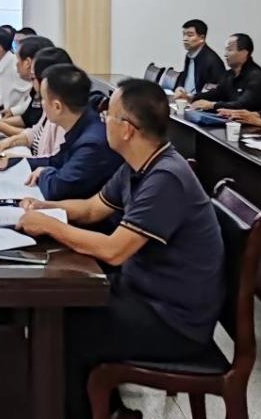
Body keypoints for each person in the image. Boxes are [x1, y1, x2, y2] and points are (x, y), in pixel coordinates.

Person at [15, 78, 225, 419]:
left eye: (108, 116)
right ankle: (102, 408)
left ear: (126, 129)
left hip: (173, 320)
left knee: (62, 330)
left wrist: (51, 226)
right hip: (142, 293)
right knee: (58, 312)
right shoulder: (138, 165)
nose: (103, 122)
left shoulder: (166, 178)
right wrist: (45, 208)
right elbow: (92, 209)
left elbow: (115, 250)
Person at [0, 64, 121, 200]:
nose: (42, 104)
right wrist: (8, 163)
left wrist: (44, 173)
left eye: (43, 99)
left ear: (57, 107)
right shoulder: (82, 124)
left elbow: (58, 189)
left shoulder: (92, 143)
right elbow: (54, 161)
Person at [0, 46, 71, 157]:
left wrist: (14, 160)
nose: (32, 83)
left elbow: (53, 160)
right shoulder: (49, 103)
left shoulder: (61, 115)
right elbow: (35, 132)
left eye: (33, 78)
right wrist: (13, 141)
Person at [0, 35, 53, 137]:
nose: (16, 64)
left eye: (18, 59)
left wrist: (1, 126)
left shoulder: (49, 92)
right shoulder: (36, 89)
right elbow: (26, 119)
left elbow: (39, 136)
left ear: (28, 63)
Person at [189, 33, 261, 113]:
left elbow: (242, 105)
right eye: (225, 50)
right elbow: (217, 93)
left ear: (244, 53)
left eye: (229, 50)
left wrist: (212, 105)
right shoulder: (229, 74)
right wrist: (191, 97)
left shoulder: (257, 77)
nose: (225, 54)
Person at [173, 19, 225, 99]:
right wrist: (179, 88)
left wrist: (191, 97)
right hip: (186, 100)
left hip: (200, 103)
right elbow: (185, 76)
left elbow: (217, 90)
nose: (185, 39)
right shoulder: (189, 55)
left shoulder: (212, 60)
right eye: (184, 34)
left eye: (190, 35)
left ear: (202, 38)